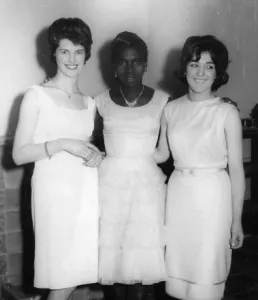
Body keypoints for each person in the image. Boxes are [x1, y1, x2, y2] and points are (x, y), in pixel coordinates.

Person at [12, 18, 102, 300]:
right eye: (65, 51)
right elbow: (18, 154)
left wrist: (95, 154)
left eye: (78, 51)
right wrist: (63, 144)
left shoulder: (90, 103)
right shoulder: (36, 96)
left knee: (75, 275)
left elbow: (83, 146)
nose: (72, 59)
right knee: (62, 277)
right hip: (53, 193)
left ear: (87, 53)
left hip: (85, 192)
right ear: (53, 53)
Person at [155, 35, 245, 300]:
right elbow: (160, 154)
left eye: (209, 66)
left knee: (206, 276)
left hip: (213, 200)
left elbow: (237, 171)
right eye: (195, 64)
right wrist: (119, 151)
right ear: (184, 68)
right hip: (179, 196)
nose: (201, 72)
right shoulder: (170, 109)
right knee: (178, 279)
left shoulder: (226, 113)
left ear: (218, 72)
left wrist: (237, 220)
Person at [90, 31, 170, 300]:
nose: (130, 68)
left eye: (136, 61)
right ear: (113, 66)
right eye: (122, 62)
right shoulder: (99, 102)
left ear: (145, 64)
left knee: (141, 270)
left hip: (147, 189)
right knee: (111, 267)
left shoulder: (163, 101)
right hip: (110, 187)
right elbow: (92, 143)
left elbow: (166, 151)